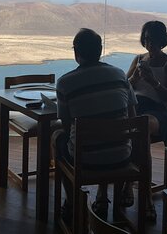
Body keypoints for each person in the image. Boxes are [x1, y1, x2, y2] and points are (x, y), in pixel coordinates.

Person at [53, 28, 137, 224]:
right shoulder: (119, 75)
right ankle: (104, 198)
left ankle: (72, 200)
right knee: (107, 137)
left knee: (56, 137)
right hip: (122, 156)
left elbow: (66, 126)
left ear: (76, 53)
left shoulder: (65, 83)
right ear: (100, 50)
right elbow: (133, 118)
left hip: (86, 162)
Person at [123, 20, 167, 220]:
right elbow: (123, 88)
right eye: (147, 40)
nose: (150, 45)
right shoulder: (138, 59)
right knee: (133, 128)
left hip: (157, 112)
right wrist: (135, 79)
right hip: (135, 107)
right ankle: (130, 183)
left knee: (140, 127)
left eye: (154, 41)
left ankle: (140, 191)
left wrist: (153, 82)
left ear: (162, 41)